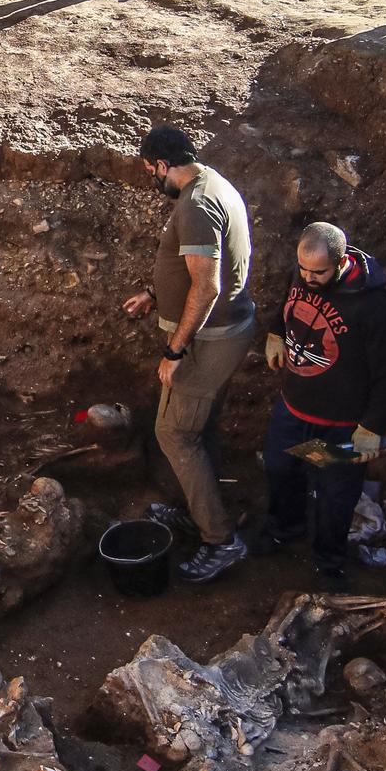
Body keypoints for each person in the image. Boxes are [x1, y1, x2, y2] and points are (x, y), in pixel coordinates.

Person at [122, 123, 255, 585]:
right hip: (221, 331)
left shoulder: (196, 205)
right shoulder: (212, 184)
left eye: (149, 171)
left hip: (208, 341)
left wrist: (173, 350)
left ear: (162, 165)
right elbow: (195, 272)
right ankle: (198, 510)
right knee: (198, 428)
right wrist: (155, 294)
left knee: (174, 432)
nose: (152, 180)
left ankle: (220, 541)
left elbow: (208, 284)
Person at [254, 222, 386, 584]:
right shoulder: (304, 272)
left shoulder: (374, 307)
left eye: (318, 272)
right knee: (280, 469)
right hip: (293, 409)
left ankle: (328, 561)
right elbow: (290, 302)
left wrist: (371, 427)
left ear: (340, 263)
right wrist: (277, 331)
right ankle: (285, 528)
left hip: (340, 425)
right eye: (303, 269)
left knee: (335, 496)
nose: (307, 277)